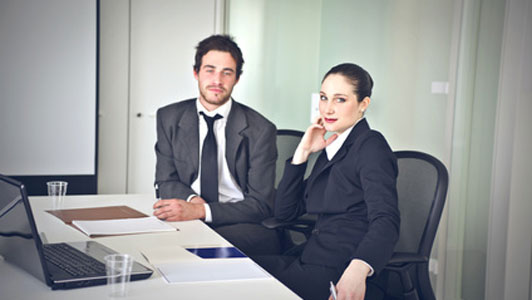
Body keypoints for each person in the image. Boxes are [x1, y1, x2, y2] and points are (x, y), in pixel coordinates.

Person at [253, 63, 400, 300]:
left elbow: (387, 219)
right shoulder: (333, 149)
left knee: (237, 282)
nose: (328, 109)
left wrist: (358, 269)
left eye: (340, 100)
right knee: (233, 269)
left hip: (338, 270)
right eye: (324, 98)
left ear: (363, 104)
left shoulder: (371, 145)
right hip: (309, 258)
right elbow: (284, 213)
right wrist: (303, 152)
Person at [153, 34, 280, 256]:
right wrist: (193, 203)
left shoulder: (261, 129)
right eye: (210, 70)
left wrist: (202, 211)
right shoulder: (169, 117)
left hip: (239, 223)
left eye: (227, 73)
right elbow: (165, 180)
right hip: (188, 217)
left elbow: (260, 205)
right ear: (196, 73)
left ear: (237, 78)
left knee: (194, 252)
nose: (217, 81)